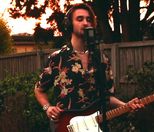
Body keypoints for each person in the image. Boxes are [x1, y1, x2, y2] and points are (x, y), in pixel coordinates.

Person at [34, 3, 144, 132]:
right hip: (65, 125)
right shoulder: (57, 58)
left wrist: (125, 105)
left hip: (94, 125)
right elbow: (39, 89)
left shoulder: (101, 59)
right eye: (80, 19)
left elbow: (107, 97)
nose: (85, 23)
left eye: (89, 19)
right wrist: (48, 108)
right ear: (70, 24)